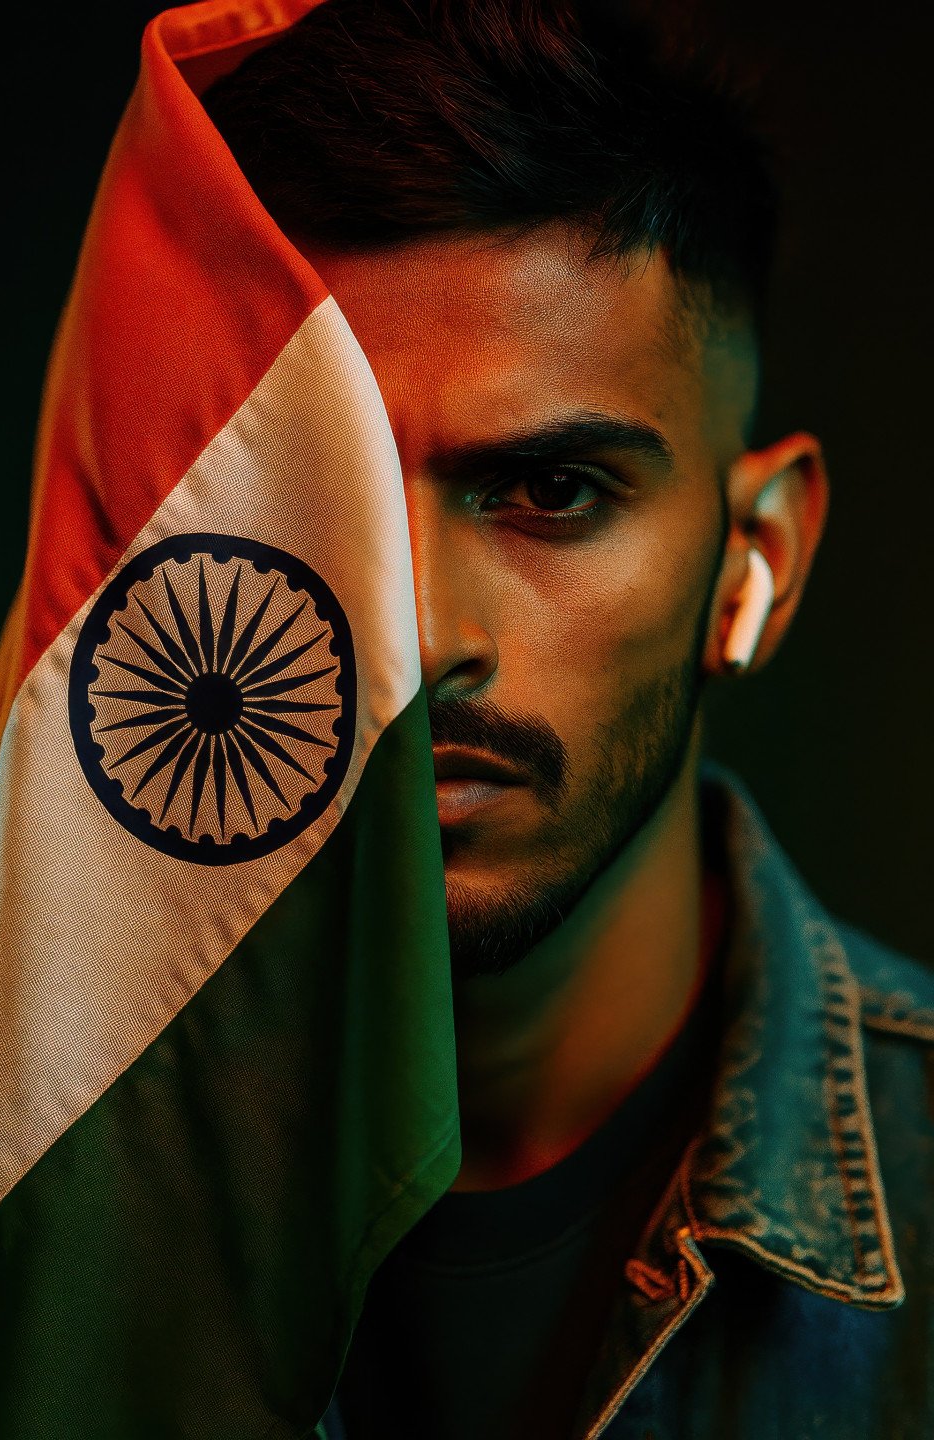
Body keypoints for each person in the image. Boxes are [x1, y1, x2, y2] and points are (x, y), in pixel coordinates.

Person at [200, 2, 934, 1438]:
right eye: (305, 501)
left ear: (758, 558)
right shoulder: (34, 1175)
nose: (411, 640)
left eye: (549, 493)